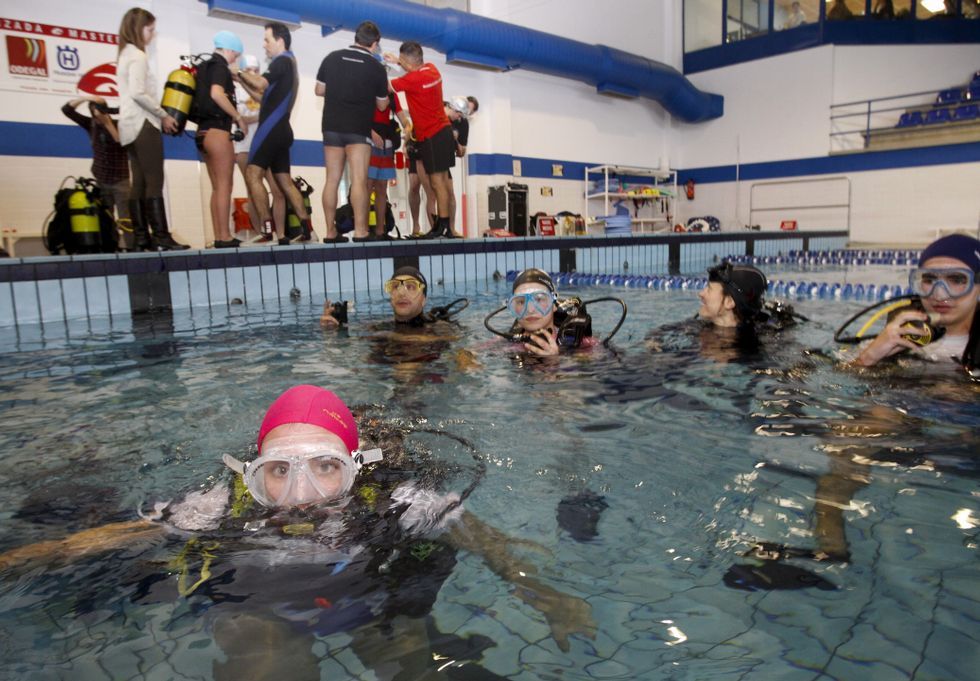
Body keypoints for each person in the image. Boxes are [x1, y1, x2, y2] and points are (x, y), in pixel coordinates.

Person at [0, 385, 596, 677]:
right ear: (251, 473)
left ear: (356, 468)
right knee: (263, 657)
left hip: (366, 596)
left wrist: (553, 599)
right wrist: (22, 560)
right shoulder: (218, 505)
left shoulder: (398, 501)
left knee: (409, 658)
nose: (300, 497)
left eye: (326, 468)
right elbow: (111, 538)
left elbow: (492, 546)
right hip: (258, 603)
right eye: (278, 472)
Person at [234, 22, 314, 245]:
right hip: (283, 130)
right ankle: (307, 229)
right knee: (285, 182)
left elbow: (260, 83)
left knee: (252, 174)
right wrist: (241, 79)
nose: (264, 45)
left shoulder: (281, 61)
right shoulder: (290, 64)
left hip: (271, 129)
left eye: (267, 40)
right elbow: (264, 98)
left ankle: (267, 230)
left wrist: (239, 71)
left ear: (280, 41)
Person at [115, 7, 188, 251]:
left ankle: (141, 238)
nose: (152, 34)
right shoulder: (138, 55)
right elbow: (138, 92)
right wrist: (164, 115)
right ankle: (160, 235)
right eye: (150, 29)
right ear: (138, 28)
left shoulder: (124, 54)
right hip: (144, 122)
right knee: (154, 178)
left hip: (127, 125)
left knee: (139, 182)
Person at [851, 234, 980, 371]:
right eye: (929, 280)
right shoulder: (890, 340)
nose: (939, 295)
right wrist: (868, 358)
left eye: (957, 279)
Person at [315, 21, 390, 243]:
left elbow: (319, 89)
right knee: (358, 180)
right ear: (375, 43)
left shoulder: (332, 57)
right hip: (358, 129)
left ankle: (330, 232)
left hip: (331, 127)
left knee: (332, 180)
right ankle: (360, 231)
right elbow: (383, 106)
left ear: (356, 38)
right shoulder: (376, 67)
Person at [387, 41, 457, 239]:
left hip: (432, 136)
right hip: (443, 132)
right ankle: (442, 225)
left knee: (437, 183)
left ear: (408, 63)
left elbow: (388, 86)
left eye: (402, 61)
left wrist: (386, 65)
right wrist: (399, 63)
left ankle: (442, 225)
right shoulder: (432, 70)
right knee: (442, 181)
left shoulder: (411, 80)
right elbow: (413, 70)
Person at [194, 31, 246, 248]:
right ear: (230, 49)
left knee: (216, 187)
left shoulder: (203, 67)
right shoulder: (220, 67)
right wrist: (237, 117)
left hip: (202, 132)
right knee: (225, 185)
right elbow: (217, 93)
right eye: (236, 54)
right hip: (218, 131)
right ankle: (225, 236)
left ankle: (218, 235)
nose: (235, 59)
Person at [61, 95, 132, 250]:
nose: (97, 117)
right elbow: (67, 110)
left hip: (121, 178)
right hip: (102, 178)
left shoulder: (118, 124)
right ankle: (110, 246)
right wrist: (85, 97)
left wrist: (107, 123)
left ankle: (132, 247)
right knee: (106, 217)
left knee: (126, 217)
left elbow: (121, 144)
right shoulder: (90, 124)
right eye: (94, 113)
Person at [487, 269, 603, 357]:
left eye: (539, 299)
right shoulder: (504, 342)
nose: (530, 310)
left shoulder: (583, 343)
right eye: (521, 302)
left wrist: (558, 361)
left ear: (554, 305)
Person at [233, 54, 286, 241]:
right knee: (253, 191)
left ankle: (280, 233)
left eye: (256, 70)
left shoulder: (265, 89)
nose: (253, 73)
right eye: (249, 70)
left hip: (266, 142)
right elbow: (237, 117)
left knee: (278, 189)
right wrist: (263, 116)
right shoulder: (236, 90)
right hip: (245, 146)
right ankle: (261, 232)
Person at [444, 96, 472, 238]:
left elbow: (461, 153)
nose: (460, 116)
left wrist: (455, 140)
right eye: (459, 112)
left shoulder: (463, 124)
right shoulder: (440, 111)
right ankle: (433, 228)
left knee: (450, 195)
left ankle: (451, 228)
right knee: (432, 194)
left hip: (444, 161)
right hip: (429, 156)